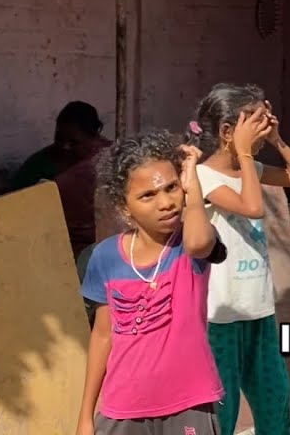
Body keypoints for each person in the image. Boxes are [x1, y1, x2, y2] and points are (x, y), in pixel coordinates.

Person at [76, 131, 225, 435]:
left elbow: (199, 243)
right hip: (123, 408)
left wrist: (193, 184)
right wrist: (85, 417)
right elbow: (102, 336)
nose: (166, 203)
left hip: (189, 404)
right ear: (124, 208)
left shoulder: (189, 244)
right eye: (148, 195)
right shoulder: (105, 257)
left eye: (172, 188)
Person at [187, 84, 290, 435]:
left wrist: (277, 140)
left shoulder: (251, 168)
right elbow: (254, 208)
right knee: (222, 411)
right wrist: (245, 156)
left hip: (259, 309)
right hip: (221, 316)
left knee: (274, 399)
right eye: (256, 122)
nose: (262, 128)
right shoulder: (203, 176)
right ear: (228, 132)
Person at [12, 101, 112, 259]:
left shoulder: (110, 159)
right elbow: (13, 209)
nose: (65, 146)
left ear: (94, 138)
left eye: (74, 142)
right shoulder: (39, 165)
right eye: (59, 138)